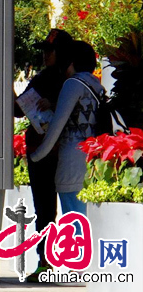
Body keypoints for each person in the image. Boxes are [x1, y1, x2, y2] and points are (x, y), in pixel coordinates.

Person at [14, 28, 72, 276]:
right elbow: (18, 110)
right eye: (45, 51)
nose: (46, 55)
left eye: (50, 51)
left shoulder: (74, 81)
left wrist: (56, 104)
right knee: (45, 208)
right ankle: (45, 259)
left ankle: (75, 257)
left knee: (71, 205)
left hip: (66, 150)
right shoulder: (40, 79)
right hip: (41, 151)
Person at [30, 40, 101, 219]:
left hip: (71, 160)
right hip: (90, 159)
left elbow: (57, 126)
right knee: (86, 223)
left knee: (73, 222)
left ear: (70, 61)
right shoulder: (96, 85)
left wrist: (36, 156)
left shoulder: (72, 84)